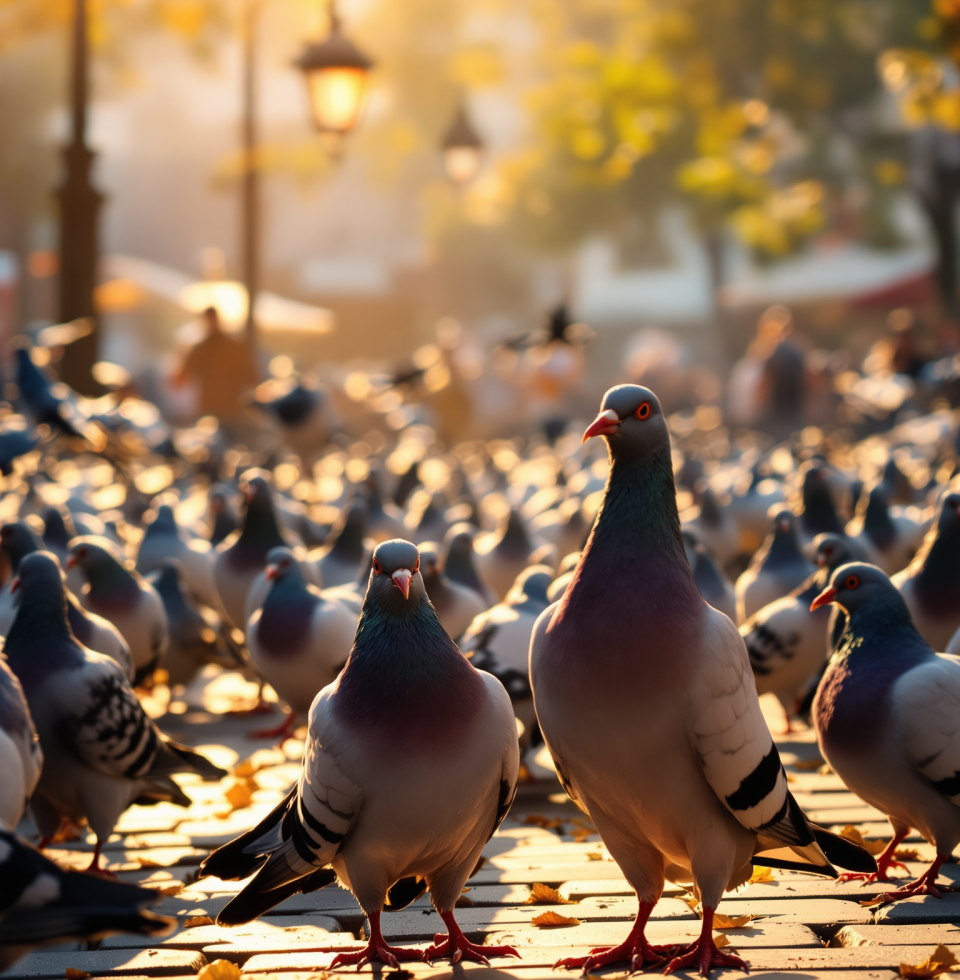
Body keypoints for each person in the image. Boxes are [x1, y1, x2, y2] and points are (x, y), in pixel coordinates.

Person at [174, 307, 259, 442]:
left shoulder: (201, 348)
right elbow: (254, 379)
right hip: (226, 412)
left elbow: (178, 381)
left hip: (218, 414)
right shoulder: (235, 347)